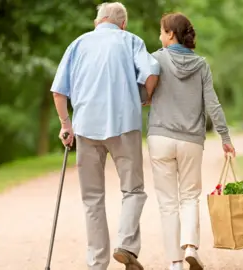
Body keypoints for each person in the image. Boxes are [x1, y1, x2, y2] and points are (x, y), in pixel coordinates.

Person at [50, 2, 159, 270]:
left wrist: (66, 124)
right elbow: (152, 72)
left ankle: (97, 263)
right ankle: (126, 244)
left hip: (86, 127)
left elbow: (58, 92)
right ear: (122, 23)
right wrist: (144, 97)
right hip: (124, 125)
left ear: (98, 21)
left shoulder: (78, 44)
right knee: (133, 190)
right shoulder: (131, 40)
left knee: (92, 199)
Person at [146, 12, 235, 270]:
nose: (159, 36)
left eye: (162, 31)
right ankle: (191, 247)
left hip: (160, 137)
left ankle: (175, 263)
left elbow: (143, 93)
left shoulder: (156, 59)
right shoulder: (202, 65)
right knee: (189, 197)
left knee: (167, 202)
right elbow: (213, 105)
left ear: (171, 34)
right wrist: (225, 137)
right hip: (191, 141)